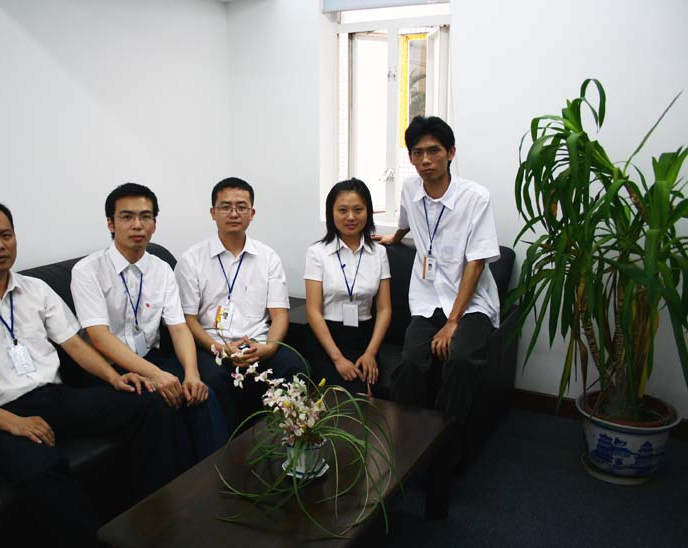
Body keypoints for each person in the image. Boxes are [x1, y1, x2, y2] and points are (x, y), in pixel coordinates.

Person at [0, 200, 191, 548]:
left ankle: (160, 519)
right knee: (42, 469)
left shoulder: (36, 290)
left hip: (54, 397)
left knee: (149, 403)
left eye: (6, 235)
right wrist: (16, 424)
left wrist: (114, 378)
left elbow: (75, 345)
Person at [71, 183, 228, 458]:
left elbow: (178, 328)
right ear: (110, 223)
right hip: (109, 369)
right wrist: (156, 375)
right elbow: (100, 337)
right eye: (127, 216)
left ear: (154, 223)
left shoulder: (161, 269)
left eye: (145, 216)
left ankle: (217, 474)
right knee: (161, 406)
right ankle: (175, 485)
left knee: (202, 394)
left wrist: (191, 374)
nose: (137, 225)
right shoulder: (87, 271)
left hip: (150, 357)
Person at [374, 116, 500, 424]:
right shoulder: (410, 188)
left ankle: (446, 437)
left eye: (434, 151)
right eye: (417, 153)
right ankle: (408, 436)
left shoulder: (475, 198)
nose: (425, 160)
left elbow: (477, 262)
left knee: (461, 359)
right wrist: (396, 237)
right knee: (411, 362)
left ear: (451, 153)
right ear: (410, 158)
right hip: (427, 298)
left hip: (471, 304)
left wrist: (453, 322)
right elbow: (406, 219)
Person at [175, 177, 305, 428]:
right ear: (213, 213)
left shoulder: (268, 257)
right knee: (215, 381)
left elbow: (279, 314)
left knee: (295, 367)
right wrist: (218, 348)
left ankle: (285, 437)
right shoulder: (192, 260)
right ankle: (231, 447)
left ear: (252, 213)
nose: (233, 213)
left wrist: (268, 348)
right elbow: (188, 319)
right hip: (211, 348)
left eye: (241, 207)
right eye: (225, 207)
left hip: (258, 345)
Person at [304, 178, 391, 395]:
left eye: (358, 210)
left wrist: (371, 353)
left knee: (367, 394)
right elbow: (313, 311)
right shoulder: (317, 253)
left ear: (368, 212)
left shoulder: (379, 253)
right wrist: (338, 359)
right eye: (342, 210)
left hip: (365, 338)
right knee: (339, 396)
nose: (350, 217)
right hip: (328, 339)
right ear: (331, 213)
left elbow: (384, 309)